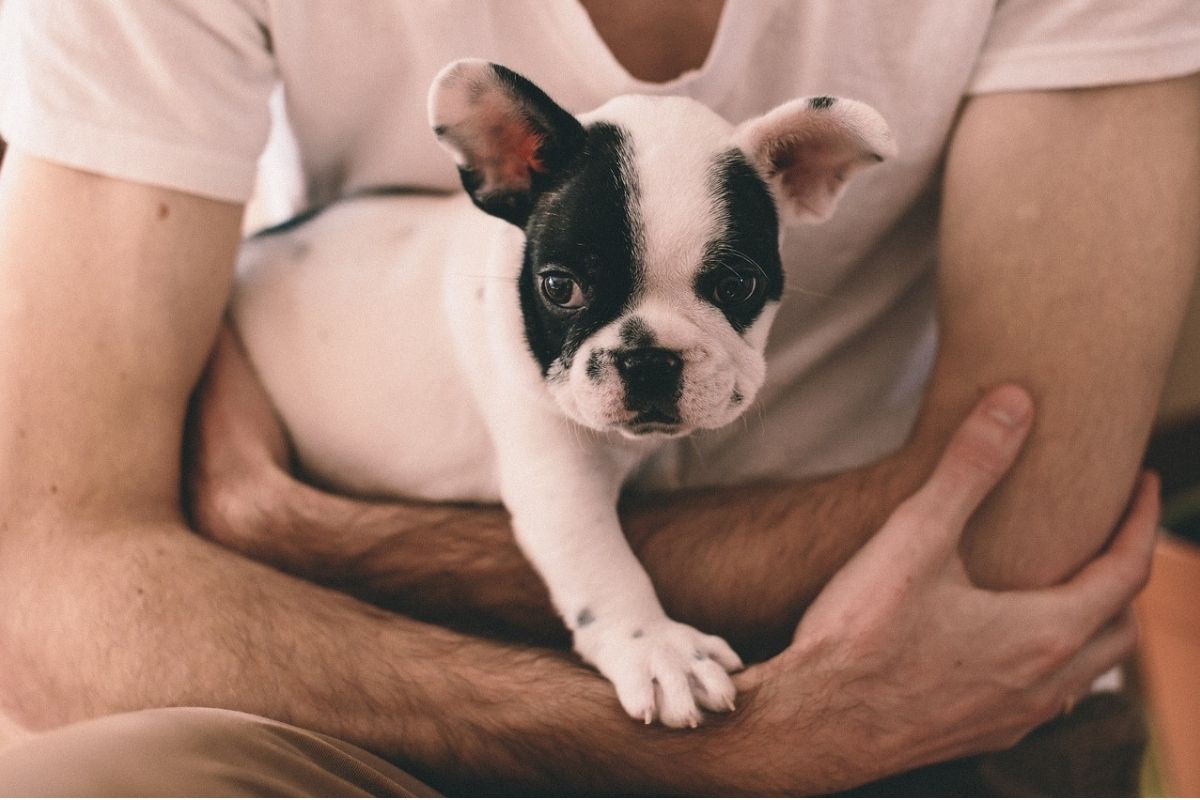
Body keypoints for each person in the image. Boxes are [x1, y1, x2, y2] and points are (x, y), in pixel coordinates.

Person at [0, 0, 1195, 794]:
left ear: (807, 171)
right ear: (505, 166)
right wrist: (742, 739)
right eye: (575, 289)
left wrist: (299, 536)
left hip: (927, 685)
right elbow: (46, 586)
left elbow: (1023, 522)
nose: (649, 356)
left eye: (724, 290)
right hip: (368, 694)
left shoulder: (767, 161)